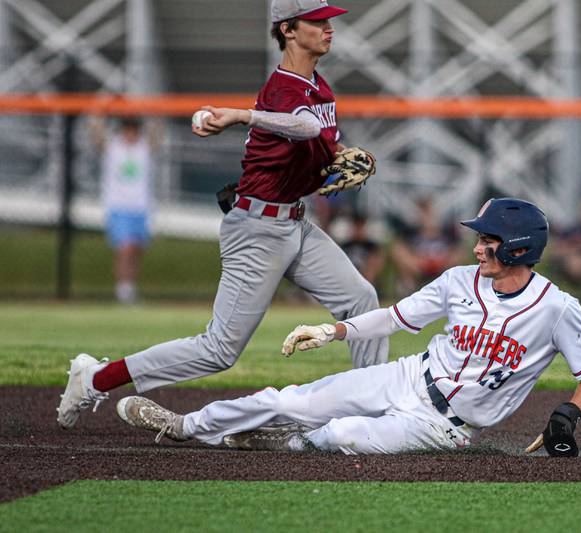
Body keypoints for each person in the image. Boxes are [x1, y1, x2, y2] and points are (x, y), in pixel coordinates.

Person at [56, 0, 388, 430]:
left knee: (361, 300)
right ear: (288, 30)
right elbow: (302, 126)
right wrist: (241, 115)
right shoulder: (282, 88)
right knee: (218, 350)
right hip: (257, 229)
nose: (329, 28)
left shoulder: (318, 87)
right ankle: (98, 377)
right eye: (317, 21)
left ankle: (372, 407)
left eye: (329, 21)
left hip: (296, 222)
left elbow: (315, 141)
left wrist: (335, 156)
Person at [115, 198, 581, 457]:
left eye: (489, 241)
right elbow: (396, 317)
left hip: (443, 427)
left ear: (520, 248)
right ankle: (183, 426)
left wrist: (569, 413)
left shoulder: (557, 308)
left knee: (340, 435)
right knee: (287, 399)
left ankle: (282, 441)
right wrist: (336, 331)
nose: (478, 248)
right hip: (406, 375)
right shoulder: (460, 279)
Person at [93, 117, 155, 304]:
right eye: (128, 129)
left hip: (141, 207)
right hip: (119, 206)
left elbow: (156, 131)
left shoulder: (144, 148)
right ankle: (123, 290)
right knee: (125, 248)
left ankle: (130, 287)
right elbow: (96, 130)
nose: (131, 133)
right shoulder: (114, 148)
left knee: (136, 249)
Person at [391, 198, 463, 296]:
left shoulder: (447, 232)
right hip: (419, 266)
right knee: (399, 250)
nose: (427, 216)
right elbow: (399, 249)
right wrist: (416, 261)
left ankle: (452, 287)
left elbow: (458, 250)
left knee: (457, 253)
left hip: (443, 264)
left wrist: (444, 261)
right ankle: (408, 287)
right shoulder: (411, 232)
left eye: (429, 212)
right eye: (423, 212)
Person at [340, 212, 385, 286]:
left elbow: (378, 261)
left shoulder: (371, 246)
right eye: (356, 227)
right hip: (350, 271)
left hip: (366, 272)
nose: (358, 231)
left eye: (360, 227)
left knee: (370, 269)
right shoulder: (346, 245)